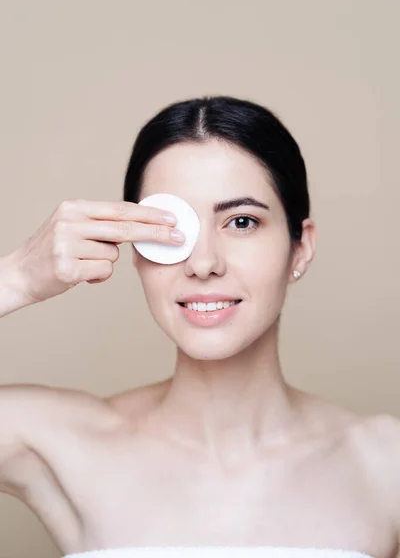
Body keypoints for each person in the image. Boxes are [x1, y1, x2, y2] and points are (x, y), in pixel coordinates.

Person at [0, 96, 399, 558]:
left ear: (300, 247)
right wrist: (17, 279)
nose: (203, 263)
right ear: (136, 248)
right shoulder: (56, 442)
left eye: (242, 221)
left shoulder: (383, 462)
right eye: (171, 230)